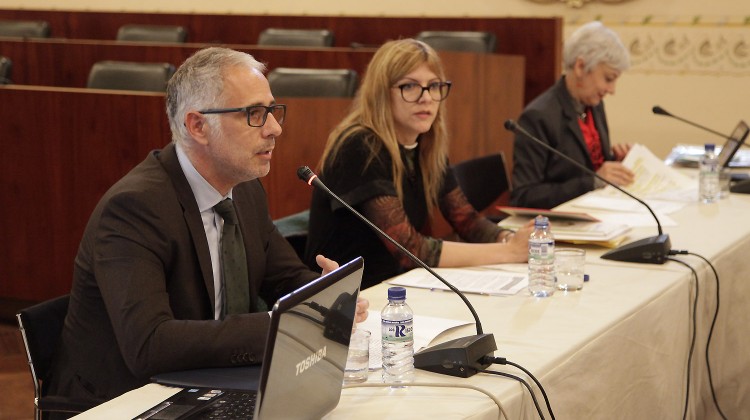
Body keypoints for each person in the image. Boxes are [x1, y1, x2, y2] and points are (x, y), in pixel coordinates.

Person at [46, 47, 368, 407]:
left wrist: (325, 297)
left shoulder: (244, 190)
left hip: (207, 382)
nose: (275, 128)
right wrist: (283, 324)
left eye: (272, 110)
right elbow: (149, 344)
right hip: (126, 402)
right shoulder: (134, 209)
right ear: (198, 126)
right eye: (254, 114)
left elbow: (284, 277)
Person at [304, 39, 532, 289]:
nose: (426, 98)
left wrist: (509, 238)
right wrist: (509, 252)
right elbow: (411, 249)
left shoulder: (425, 144)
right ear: (381, 93)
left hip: (398, 286)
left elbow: (466, 220)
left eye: (434, 86)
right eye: (410, 86)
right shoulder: (360, 146)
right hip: (352, 294)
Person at [510, 21, 635, 209]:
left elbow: (587, 167)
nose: (612, 90)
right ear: (580, 67)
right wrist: (594, 182)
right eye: (608, 79)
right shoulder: (538, 116)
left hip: (596, 212)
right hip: (553, 222)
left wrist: (615, 162)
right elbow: (524, 196)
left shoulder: (594, 105)